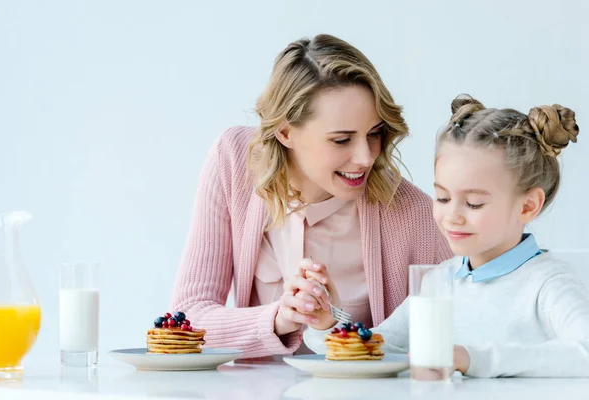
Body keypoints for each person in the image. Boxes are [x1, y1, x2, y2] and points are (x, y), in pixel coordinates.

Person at [171, 34, 452, 359]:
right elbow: (188, 319)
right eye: (341, 139)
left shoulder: (411, 212)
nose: (365, 157)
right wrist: (279, 317)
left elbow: (460, 326)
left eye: (374, 134)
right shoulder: (234, 162)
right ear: (286, 132)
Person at [304, 94, 589, 378]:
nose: (452, 215)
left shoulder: (547, 284)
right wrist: (327, 323)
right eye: (442, 198)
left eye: (474, 203)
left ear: (528, 206)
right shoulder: (438, 281)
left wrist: (473, 359)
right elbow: (381, 347)